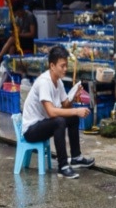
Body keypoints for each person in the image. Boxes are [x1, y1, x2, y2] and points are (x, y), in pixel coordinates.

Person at [20, 45, 95, 179]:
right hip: (30, 130)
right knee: (59, 121)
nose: (65, 69)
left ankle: (76, 157)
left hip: (43, 123)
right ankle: (63, 166)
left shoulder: (58, 81)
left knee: (72, 118)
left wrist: (73, 95)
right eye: (62, 66)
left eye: (66, 65)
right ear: (52, 66)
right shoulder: (44, 82)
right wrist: (76, 110)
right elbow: (52, 112)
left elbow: (65, 105)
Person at [0, 2, 36, 68]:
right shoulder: (18, 18)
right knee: (12, 46)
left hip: (29, 41)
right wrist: (14, 33)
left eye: (18, 13)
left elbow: (32, 34)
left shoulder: (30, 16)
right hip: (21, 40)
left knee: (12, 39)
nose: (17, 15)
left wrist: (19, 35)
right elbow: (18, 31)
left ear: (21, 10)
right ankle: (9, 65)